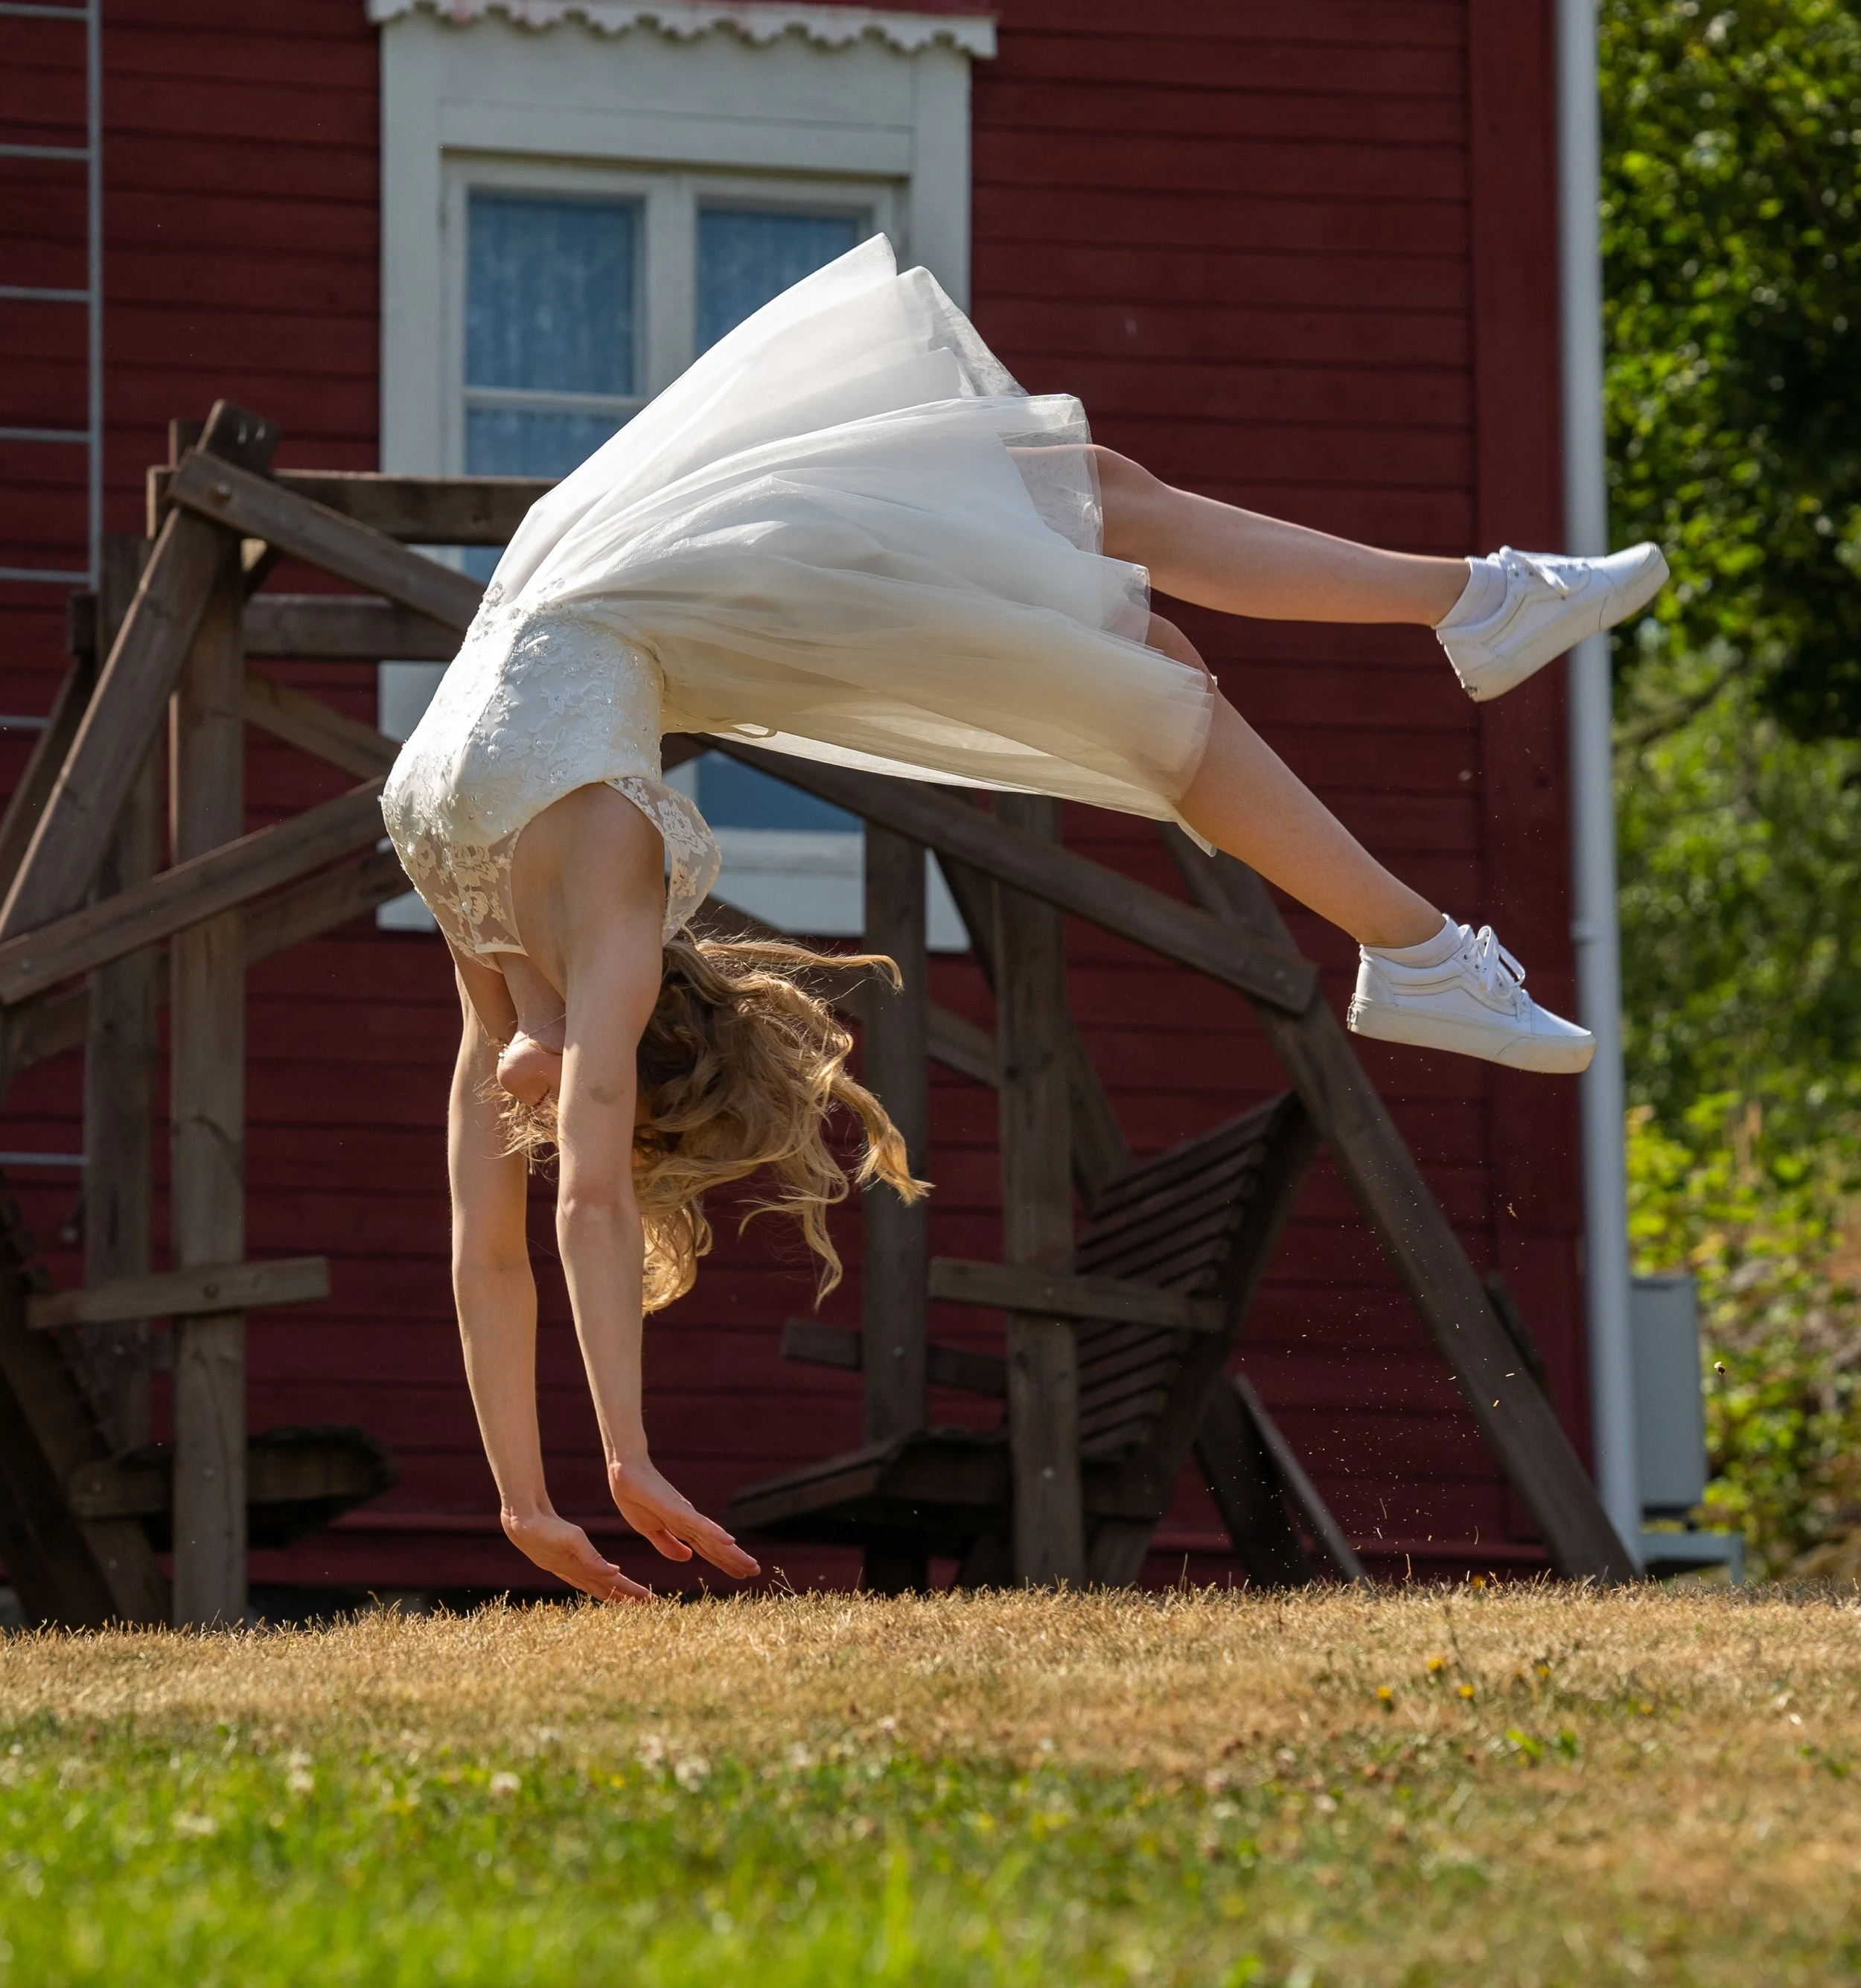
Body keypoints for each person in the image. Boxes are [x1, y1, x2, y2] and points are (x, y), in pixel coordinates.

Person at [381, 238, 1667, 1603]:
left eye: (541, 1117)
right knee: (1141, 679)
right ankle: (1416, 942)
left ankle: (1474, 607)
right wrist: (571, 1475)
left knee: (1095, 505)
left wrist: (579, 1476)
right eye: (571, 1113)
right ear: (637, 1071)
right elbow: (515, 1237)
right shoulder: (600, 921)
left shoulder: (522, 944)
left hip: (617, 566)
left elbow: (538, 1221)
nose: (521, 1125)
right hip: (661, 587)